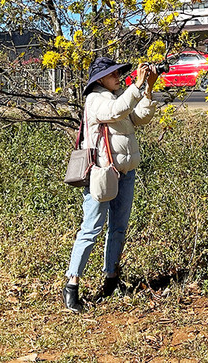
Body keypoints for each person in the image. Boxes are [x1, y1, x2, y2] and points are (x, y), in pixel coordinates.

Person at [63, 56, 158, 312]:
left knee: (118, 228)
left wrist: (148, 89)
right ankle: (72, 284)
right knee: (91, 229)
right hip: (101, 174)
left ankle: (111, 279)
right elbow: (115, 112)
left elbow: (140, 118)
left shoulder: (116, 98)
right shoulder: (96, 100)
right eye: (113, 74)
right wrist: (137, 86)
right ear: (100, 79)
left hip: (125, 172)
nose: (119, 76)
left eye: (119, 73)